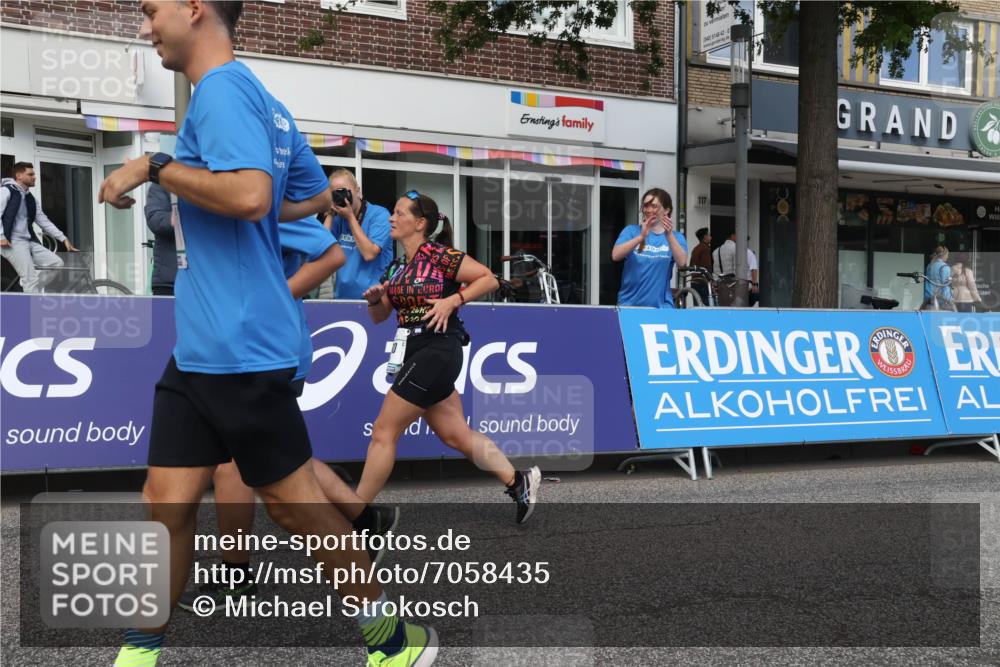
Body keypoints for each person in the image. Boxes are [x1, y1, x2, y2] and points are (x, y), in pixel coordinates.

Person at [99, 3, 436, 666]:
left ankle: (396, 641)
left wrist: (150, 167)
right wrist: (327, 195)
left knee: (294, 507)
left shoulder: (221, 92)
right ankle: (138, 653)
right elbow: (298, 198)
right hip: (199, 350)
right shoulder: (263, 101)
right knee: (164, 503)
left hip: (243, 347)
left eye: (150, 10)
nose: (144, 27)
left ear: (195, 9)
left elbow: (251, 196)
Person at [177, 217, 399, 611]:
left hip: (265, 350)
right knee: (269, 457)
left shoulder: (271, 204)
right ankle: (365, 518)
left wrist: (263, 304)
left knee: (239, 463)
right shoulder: (235, 199)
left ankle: (239, 575)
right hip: (246, 349)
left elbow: (329, 254)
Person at [359, 190, 541, 523]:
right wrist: (375, 300)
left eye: (399, 213)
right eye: (393, 213)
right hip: (414, 350)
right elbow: (379, 316)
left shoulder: (438, 255)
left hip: (438, 348)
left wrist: (452, 300)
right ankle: (519, 481)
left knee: (384, 432)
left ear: (420, 223)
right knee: (455, 433)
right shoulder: (397, 266)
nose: (391, 218)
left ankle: (352, 515)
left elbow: (487, 277)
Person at [1, 162, 78, 292]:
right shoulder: (6, 191)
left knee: (56, 263)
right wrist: (1, 236)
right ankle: (30, 306)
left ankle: (31, 290)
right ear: (19, 176)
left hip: (28, 241)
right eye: (30, 174)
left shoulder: (30, 198)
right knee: (30, 279)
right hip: (11, 242)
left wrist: (63, 238)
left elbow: (44, 221)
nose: (34, 177)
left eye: (34, 174)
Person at [322, 168, 393, 299]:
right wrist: (330, 215)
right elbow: (321, 250)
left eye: (344, 192)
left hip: (374, 299)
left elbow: (369, 253)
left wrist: (350, 217)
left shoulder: (379, 215)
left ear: (357, 190)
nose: (342, 197)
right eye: (336, 194)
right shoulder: (338, 218)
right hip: (342, 297)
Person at [611, 187, 688, 307]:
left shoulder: (676, 237)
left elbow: (682, 262)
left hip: (661, 308)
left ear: (666, 210)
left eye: (654, 206)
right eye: (646, 206)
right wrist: (641, 237)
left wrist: (669, 235)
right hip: (629, 305)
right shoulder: (631, 231)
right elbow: (616, 255)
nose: (648, 210)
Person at [144, 182, 177, 296]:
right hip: (169, 282)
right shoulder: (162, 185)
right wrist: (175, 219)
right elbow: (154, 219)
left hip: (208, 279)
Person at [712, 231, 759, 306]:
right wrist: (755, 284)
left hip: (722, 287)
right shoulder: (743, 251)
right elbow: (753, 268)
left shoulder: (716, 251)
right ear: (733, 236)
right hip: (740, 287)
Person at [688, 227, 713, 305]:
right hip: (703, 281)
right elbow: (707, 266)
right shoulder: (705, 249)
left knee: (697, 305)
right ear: (705, 237)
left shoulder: (696, 249)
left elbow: (691, 265)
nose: (711, 237)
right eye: (709, 235)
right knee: (708, 305)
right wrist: (711, 279)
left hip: (694, 280)